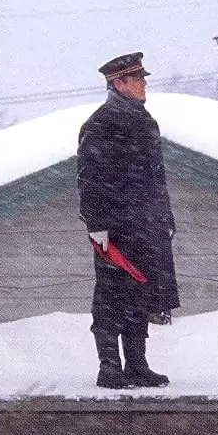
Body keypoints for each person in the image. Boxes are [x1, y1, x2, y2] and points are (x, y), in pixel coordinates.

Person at [76, 51, 180, 389]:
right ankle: (109, 366)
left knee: (141, 294)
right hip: (117, 226)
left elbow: (156, 176)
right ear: (118, 83)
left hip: (146, 224)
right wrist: (97, 224)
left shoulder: (145, 121)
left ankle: (137, 364)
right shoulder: (99, 124)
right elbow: (89, 179)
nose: (144, 83)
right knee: (111, 295)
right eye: (137, 78)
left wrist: (164, 216)